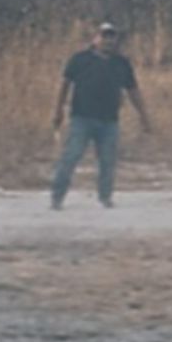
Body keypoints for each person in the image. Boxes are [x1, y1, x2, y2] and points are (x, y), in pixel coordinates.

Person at [50, 21, 153, 210]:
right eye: (104, 36)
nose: (108, 41)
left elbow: (133, 90)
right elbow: (64, 85)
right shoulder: (80, 59)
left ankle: (105, 198)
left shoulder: (122, 63)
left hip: (109, 120)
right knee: (70, 157)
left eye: (111, 37)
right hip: (81, 118)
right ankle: (57, 198)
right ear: (95, 38)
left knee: (108, 161)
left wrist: (144, 116)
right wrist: (58, 111)